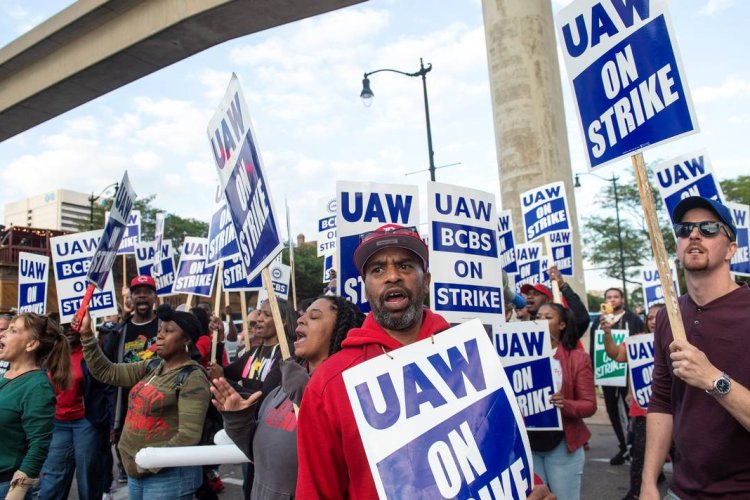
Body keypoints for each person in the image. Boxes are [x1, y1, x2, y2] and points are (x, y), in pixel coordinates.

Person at [295, 224, 553, 499]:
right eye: (378, 269)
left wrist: (533, 488)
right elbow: (316, 491)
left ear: (426, 280)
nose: (392, 276)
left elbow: (508, 449)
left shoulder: (476, 356)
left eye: (405, 265)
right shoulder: (331, 383)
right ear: (365, 287)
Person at [642, 196, 750, 500]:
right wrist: (649, 481)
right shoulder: (668, 316)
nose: (694, 233)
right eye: (685, 229)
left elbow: (713, 381)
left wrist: (714, 380)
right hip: (681, 490)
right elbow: (662, 401)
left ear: (731, 249)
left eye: (710, 228)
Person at [212, 296, 366, 499]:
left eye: (315, 317)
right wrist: (238, 418)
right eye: (303, 315)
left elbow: (341, 459)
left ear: (341, 330)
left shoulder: (352, 390)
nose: (301, 319)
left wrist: (307, 394)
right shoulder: (282, 386)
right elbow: (257, 453)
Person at [74, 304, 210, 499]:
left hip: (166, 479)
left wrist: (148, 463)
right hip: (138, 473)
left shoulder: (192, 377)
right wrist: (87, 335)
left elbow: (188, 436)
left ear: (187, 339)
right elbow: (107, 371)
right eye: (160, 330)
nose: (160, 336)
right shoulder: (152, 366)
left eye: (169, 331)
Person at [208, 297, 296, 499]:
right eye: (259, 313)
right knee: (249, 489)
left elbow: (264, 398)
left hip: (269, 437)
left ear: (283, 321)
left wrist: (223, 381)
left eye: (266, 314)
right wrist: (219, 341)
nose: (257, 319)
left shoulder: (287, 352)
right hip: (249, 433)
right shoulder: (255, 352)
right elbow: (226, 374)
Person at [37, 323, 114, 500]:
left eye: (74, 325)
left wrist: (110, 421)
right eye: (65, 326)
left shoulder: (92, 354)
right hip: (56, 423)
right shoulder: (48, 355)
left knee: (87, 476)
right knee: (53, 478)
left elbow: (107, 386)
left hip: (86, 422)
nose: (69, 329)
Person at [0, 313, 70, 500]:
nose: (3, 334)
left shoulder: (37, 386)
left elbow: (39, 445)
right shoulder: (5, 375)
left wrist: (18, 490)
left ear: (31, 344)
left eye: (13, 330)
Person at [529, 303, 596, 500]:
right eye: (538, 316)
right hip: (530, 445)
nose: (540, 321)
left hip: (562, 446)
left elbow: (589, 405)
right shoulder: (519, 357)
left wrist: (564, 404)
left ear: (562, 325)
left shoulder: (578, 358)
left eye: (548, 317)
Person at [602, 303, 665, 500]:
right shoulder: (636, 342)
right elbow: (616, 355)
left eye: (659, 317)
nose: (654, 321)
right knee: (639, 455)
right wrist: (607, 334)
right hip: (643, 410)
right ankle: (636, 492)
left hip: (675, 410)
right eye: (650, 318)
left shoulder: (678, 340)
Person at [103, 275, 159, 484]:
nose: (142, 296)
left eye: (147, 292)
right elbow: (106, 369)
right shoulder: (119, 332)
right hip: (126, 407)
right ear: (130, 298)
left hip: (159, 404)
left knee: (155, 464)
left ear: (154, 297)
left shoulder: (166, 326)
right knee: (132, 464)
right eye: (137, 292)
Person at [591, 287, 644, 466]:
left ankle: (634, 446)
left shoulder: (633, 320)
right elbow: (594, 348)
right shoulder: (599, 322)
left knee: (630, 412)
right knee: (613, 411)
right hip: (607, 374)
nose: (612, 300)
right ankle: (623, 446)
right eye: (608, 297)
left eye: (615, 297)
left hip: (627, 375)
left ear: (622, 299)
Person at [521, 265, 590, 338]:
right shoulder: (526, 330)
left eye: (536, 294)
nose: (529, 296)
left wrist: (563, 286)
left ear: (548, 300)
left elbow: (582, 319)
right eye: (528, 294)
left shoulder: (561, 330)